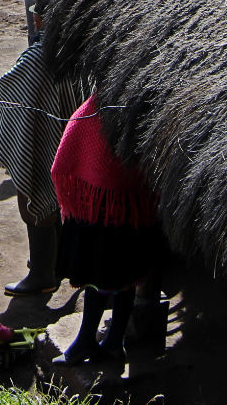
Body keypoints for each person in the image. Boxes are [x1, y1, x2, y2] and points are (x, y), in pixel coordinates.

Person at [50, 94, 159, 366]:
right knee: (116, 278)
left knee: (112, 278)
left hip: (115, 209)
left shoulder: (117, 104)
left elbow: (65, 159)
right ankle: (103, 342)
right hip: (115, 207)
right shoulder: (104, 103)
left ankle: (103, 342)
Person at [0, 42, 88, 297]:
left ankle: (42, 274)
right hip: (64, 138)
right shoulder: (73, 47)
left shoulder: (37, 57)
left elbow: (7, 87)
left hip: (42, 138)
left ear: (40, 17)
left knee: (34, 197)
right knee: (55, 199)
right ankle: (54, 264)